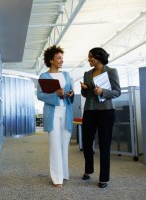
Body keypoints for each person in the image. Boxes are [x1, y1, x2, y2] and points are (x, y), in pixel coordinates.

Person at [80, 47, 121, 188]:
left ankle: (104, 178)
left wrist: (103, 91)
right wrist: (84, 89)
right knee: (86, 141)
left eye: (91, 57)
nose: (89, 59)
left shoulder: (111, 72)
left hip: (106, 111)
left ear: (99, 57)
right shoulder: (87, 74)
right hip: (90, 110)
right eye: (89, 57)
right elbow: (86, 95)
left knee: (104, 143)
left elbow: (117, 92)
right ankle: (88, 170)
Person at [37, 45, 74, 188]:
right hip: (52, 113)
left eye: (62, 58)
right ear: (51, 60)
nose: (61, 61)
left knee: (64, 144)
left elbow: (70, 91)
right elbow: (40, 95)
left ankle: (64, 173)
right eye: (58, 58)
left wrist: (70, 94)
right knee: (55, 144)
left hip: (66, 111)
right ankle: (56, 178)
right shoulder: (44, 76)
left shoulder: (66, 75)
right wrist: (55, 95)